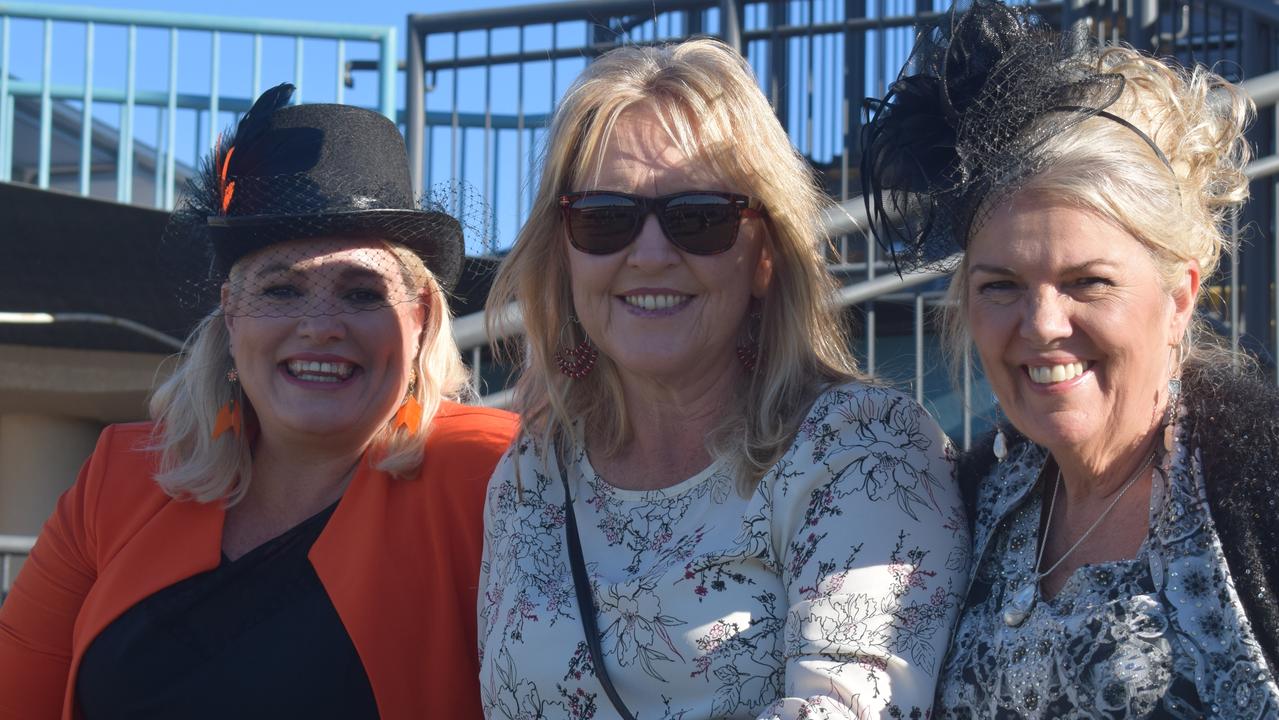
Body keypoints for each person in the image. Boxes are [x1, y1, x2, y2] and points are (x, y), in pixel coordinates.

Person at [478, 38, 968, 719]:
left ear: (766, 254)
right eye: (603, 219)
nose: (648, 255)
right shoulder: (532, 473)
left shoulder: (861, 450)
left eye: (699, 218)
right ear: (562, 252)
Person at [0, 84, 517, 720]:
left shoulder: (498, 480)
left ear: (420, 321)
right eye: (281, 290)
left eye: (361, 292)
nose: (321, 326)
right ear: (230, 316)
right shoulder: (118, 479)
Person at [862, 1, 1279, 715]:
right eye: (1001, 286)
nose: (1042, 324)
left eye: (1088, 282)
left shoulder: (1258, 482)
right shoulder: (967, 507)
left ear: (1178, 296)